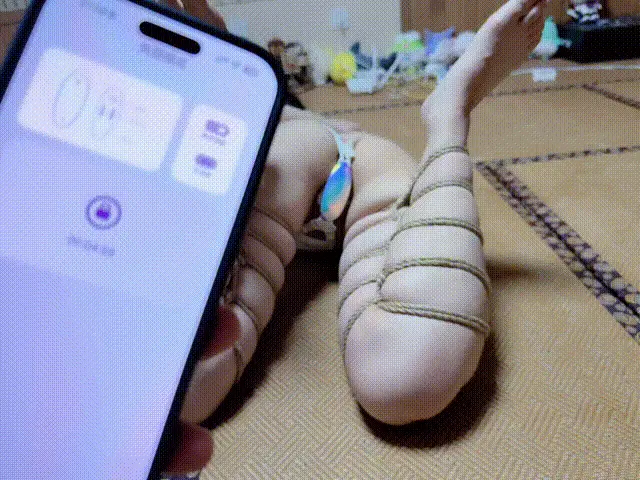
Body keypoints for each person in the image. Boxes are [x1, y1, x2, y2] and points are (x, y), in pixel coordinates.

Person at [162, 0, 550, 474]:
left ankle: (448, 119)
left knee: (408, 374)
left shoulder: (288, 131)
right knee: (400, 374)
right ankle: (446, 125)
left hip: (332, 153)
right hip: (270, 163)